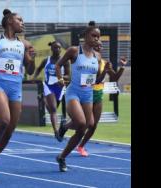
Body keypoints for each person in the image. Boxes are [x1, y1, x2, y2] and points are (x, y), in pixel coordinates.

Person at [0, 9, 35, 180]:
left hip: (15, 87)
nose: (23, 22)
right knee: (4, 120)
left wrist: (32, 58)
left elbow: (30, 70)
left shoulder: (24, 44)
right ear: (10, 21)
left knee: (10, 130)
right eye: (20, 19)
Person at [58, 39, 128, 157]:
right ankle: (67, 127)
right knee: (82, 122)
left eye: (101, 46)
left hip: (97, 94)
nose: (100, 47)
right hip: (83, 92)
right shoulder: (83, 58)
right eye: (98, 45)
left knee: (93, 125)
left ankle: (81, 146)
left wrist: (121, 67)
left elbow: (114, 78)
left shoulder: (103, 61)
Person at [55, 21, 101, 172]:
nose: (96, 39)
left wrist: (106, 71)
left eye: (98, 36)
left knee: (83, 129)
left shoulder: (97, 56)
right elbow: (58, 65)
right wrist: (60, 79)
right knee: (81, 122)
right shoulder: (74, 51)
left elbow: (97, 80)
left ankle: (62, 157)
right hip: (73, 92)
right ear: (86, 36)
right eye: (93, 35)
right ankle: (66, 126)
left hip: (87, 94)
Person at [33, 41, 69, 141]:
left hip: (60, 87)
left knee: (53, 109)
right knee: (53, 109)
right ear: (51, 49)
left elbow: (68, 75)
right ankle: (56, 132)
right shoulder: (46, 60)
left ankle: (43, 100)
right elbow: (38, 69)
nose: (57, 49)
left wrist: (61, 78)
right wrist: (34, 78)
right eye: (55, 48)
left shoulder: (65, 61)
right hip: (48, 86)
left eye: (59, 48)